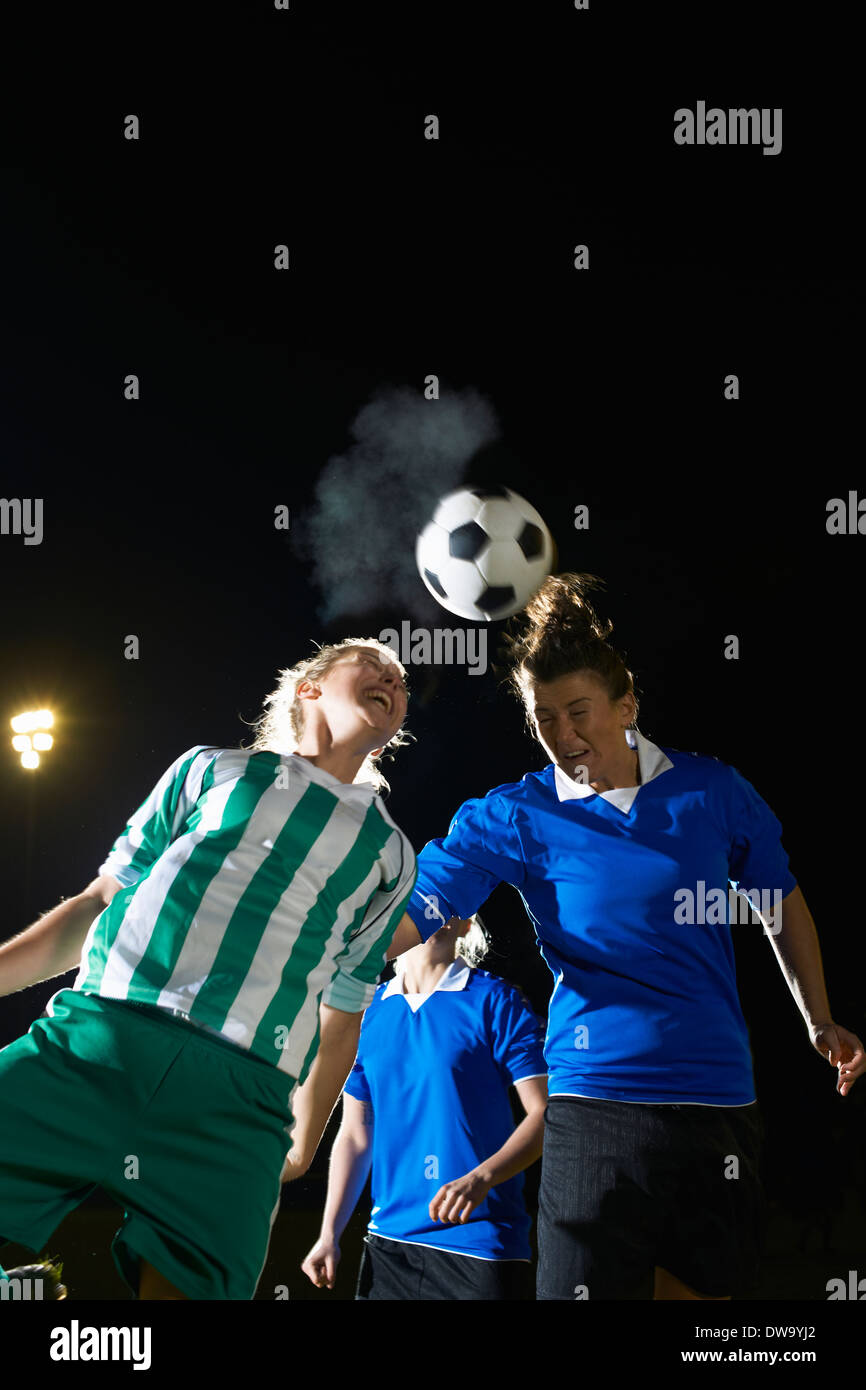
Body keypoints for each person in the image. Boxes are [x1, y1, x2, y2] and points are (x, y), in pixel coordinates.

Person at [387, 573, 866, 1301]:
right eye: (544, 718)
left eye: (579, 712)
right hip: (595, 1099)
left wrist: (818, 1016)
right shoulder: (516, 815)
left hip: (717, 1100)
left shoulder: (711, 791)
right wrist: (325, 930)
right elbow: (415, 913)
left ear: (628, 706)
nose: (563, 735)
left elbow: (778, 903)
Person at [0, 639, 415, 1301]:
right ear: (308, 687)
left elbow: (343, 1008)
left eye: (400, 681)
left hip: (239, 1105)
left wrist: (303, 1142)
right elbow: (98, 902)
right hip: (98, 1043)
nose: (393, 678)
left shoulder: (390, 855)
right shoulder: (209, 771)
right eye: (372, 665)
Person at [295, 915, 547, 1300]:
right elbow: (356, 1133)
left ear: (467, 923)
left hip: (479, 1244)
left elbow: (545, 1116)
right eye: (425, 899)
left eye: (451, 902)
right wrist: (329, 1233)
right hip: (389, 1246)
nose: (438, 911)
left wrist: (481, 1178)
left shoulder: (496, 1000)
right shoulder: (369, 1013)